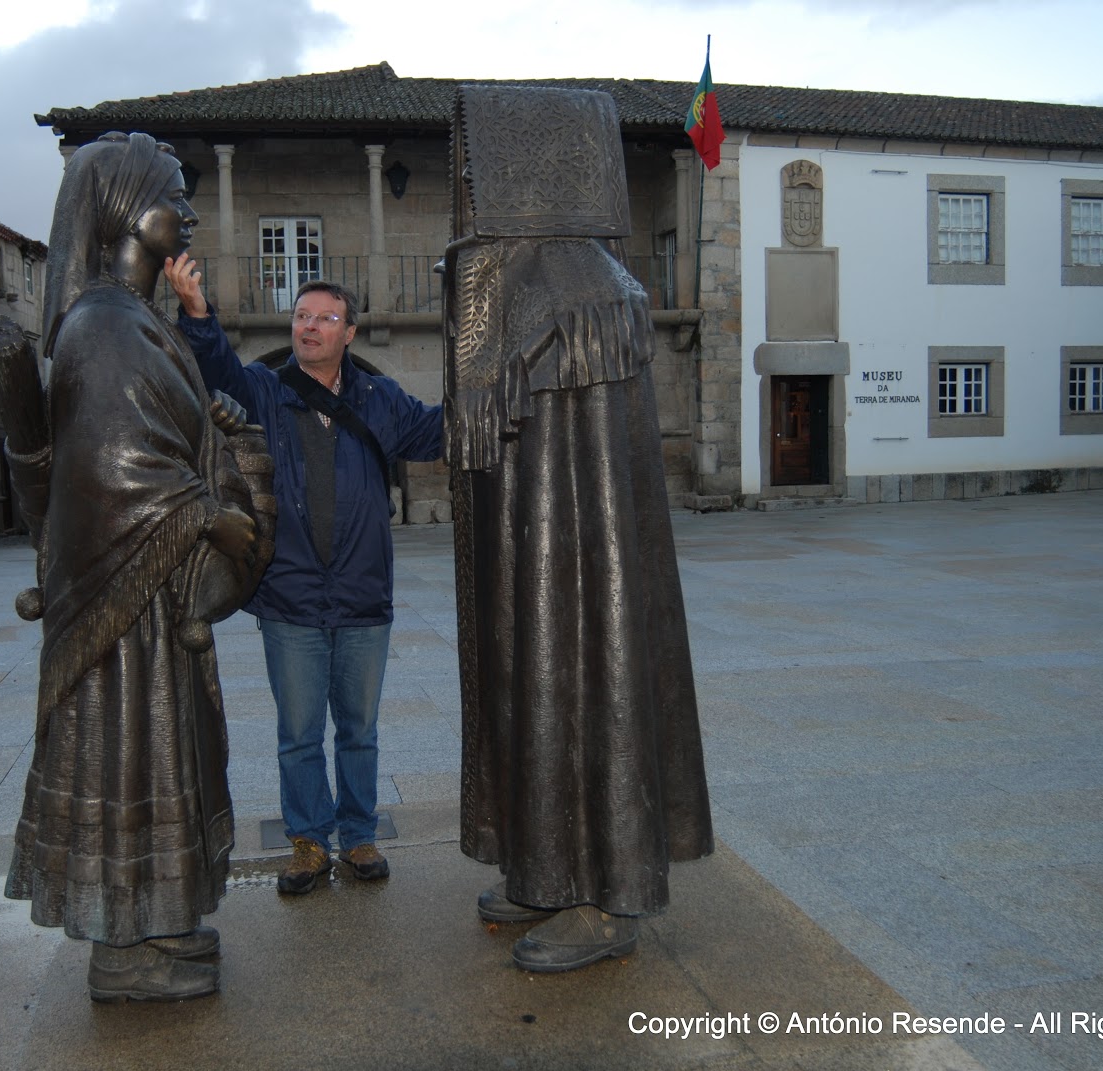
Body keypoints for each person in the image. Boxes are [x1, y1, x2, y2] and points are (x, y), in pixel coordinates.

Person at [445, 86, 714, 973]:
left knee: (587, 683)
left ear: (530, 177)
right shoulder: (521, 285)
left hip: (577, 578)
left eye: (480, 173)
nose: (467, 194)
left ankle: (603, 893)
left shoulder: (585, 295)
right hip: (530, 562)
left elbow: (593, 481)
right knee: (532, 682)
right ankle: (546, 868)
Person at [1, 131, 266, 1003]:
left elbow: (156, 435)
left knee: (156, 752)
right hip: (125, 596)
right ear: (123, 207)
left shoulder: (136, 321)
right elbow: (114, 468)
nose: (188, 211)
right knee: (130, 753)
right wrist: (208, 511)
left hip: (150, 590)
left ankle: (156, 920)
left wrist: (214, 429)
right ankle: (124, 943)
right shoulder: (106, 325)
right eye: (172, 193)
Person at [165, 258, 444, 895]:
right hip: (290, 597)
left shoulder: (380, 399)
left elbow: (436, 431)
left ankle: (360, 834)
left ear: (350, 332)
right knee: (298, 733)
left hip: (363, 596)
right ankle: (309, 842)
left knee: (359, 731)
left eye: (326, 318)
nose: (310, 327)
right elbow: (219, 373)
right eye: (302, 317)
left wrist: (486, 387)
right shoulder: (267, 391)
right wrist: (198, 314)